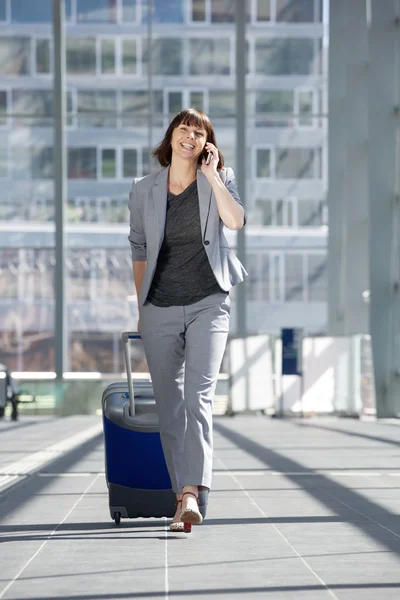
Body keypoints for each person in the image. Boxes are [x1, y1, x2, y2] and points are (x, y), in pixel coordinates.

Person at [128, 108, 247, 532]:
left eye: (200, 132)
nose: (191, 136)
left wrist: (214, 177)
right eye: (185, 128)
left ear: (206, 144)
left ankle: (194, 494)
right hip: (159, 307)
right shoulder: (144, 190)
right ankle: (183, 498)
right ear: (172, 136)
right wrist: (142, 309)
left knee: (199, 399)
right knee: (170, 410)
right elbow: (139, 249)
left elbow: (235, 221)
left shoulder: (221, 178)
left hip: (208, 303)